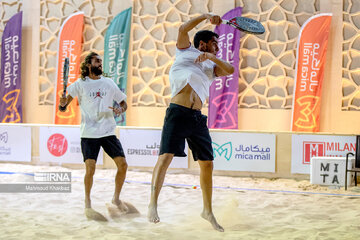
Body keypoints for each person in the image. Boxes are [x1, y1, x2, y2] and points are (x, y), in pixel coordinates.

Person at [147, 14, 234, 232]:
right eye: (215, 44)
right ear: (203, 43)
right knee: (165, 157)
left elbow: (230, 70)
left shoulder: (210, 66)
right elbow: (183, 28)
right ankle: (153, 204)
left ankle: (207, 211)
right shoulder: (185, 51)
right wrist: (206, 16)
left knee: (207, 163)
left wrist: (210, 57)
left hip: (197, 118)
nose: (217, 48)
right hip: (177, 112)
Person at [59, 52, 138, 221]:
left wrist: (120, 109)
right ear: (88, 65)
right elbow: (63, 108)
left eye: (101, 61)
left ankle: (116, 198)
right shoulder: (79, 84)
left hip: (108, 131)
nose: (100, 64)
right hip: (88, 133)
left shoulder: (108, 83)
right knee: (90, 168)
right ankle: (87, 203)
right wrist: (62, 102)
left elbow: (123, 102)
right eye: (97, 61)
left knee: (123, 165)